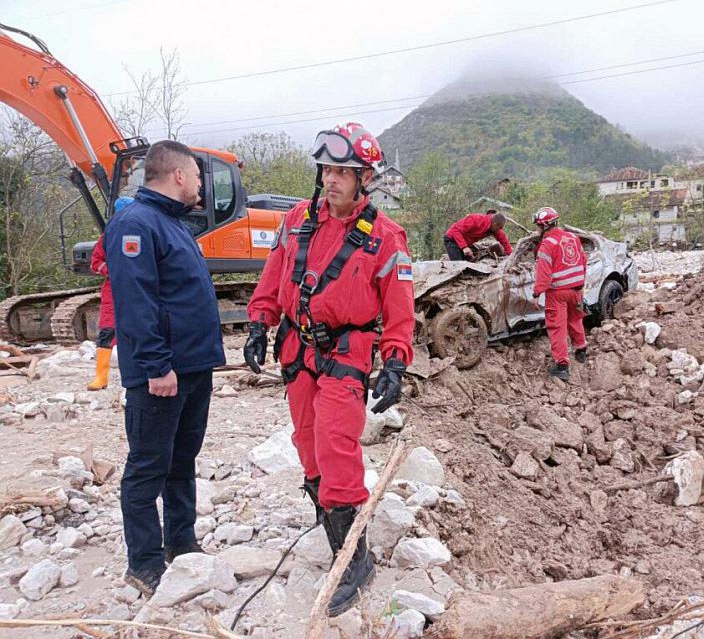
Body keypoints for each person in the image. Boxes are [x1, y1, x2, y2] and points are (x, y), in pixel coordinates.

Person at [243, 122, 414, 617]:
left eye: (345, 170)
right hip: (298, 347)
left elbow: (400, 309)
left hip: (347, 351)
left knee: (336, 444)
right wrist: (259, 322)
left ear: (365, 178)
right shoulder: (297, 219)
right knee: (306, 443)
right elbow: (274, 278)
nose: (333, 178)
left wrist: (396, 361)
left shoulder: (386, 238)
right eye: (328, 168)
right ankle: (336, 535)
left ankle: (356, 560)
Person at [104, 140, 225, 595]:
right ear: (178, 175)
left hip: (192, 368)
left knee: (181, 460)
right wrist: (156, 366)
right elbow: (137, 304)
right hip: (162, 374)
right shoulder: (135, 223)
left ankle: (181, 542)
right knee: (148, 465)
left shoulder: (172, 224)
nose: (198, 183)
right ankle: (144, 563)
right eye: (196, 174)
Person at [532, 207, 587, 380]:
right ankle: (581, 349)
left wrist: (536, 293)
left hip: (557, 294)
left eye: (538, 226)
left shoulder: (547, 245)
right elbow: (583, 261)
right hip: (576, 289)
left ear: (545, 226)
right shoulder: (573, 238)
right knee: (576, 319)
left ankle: (562, 365)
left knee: (557, 328)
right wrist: (581, 285)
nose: (537, 230)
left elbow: (544, 274)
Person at [87, 196, 133, 390]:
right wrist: (113, 270)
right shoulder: (108, 237)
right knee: (107, 331)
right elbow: (96, 263)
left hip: (138, 290)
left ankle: (137, 375)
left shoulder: (146, 232)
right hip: (113, 291)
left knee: (141, 332)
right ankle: (101, 377)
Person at [443, 209, 513, 261]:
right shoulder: (475, 219)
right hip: (452, 240)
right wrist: (464, 247)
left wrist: (511, 256)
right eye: (500, 227)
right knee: (458, 265)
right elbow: (456, 230)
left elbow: (504, 241)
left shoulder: (495, 229)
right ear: (495, 224)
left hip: (465, 243)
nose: (500, 230)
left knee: (470, 265)